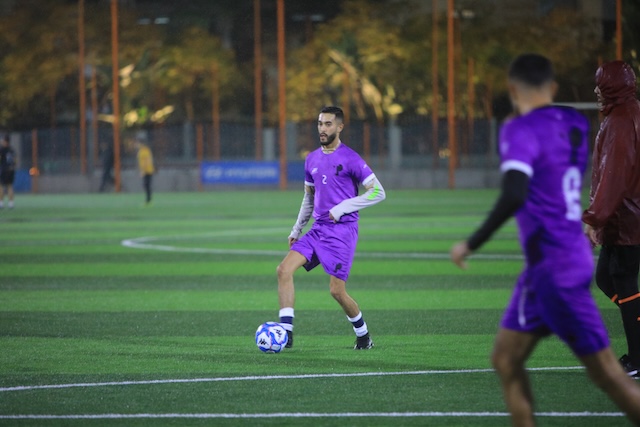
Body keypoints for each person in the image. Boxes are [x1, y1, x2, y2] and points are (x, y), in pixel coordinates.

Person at [450, 53, 640, 426]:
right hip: (569, 258)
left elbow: (515, 193)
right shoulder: (574, 123)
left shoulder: (524, 129)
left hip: (551, 263)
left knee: (508, 360)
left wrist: (470, 243)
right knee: (604, 372)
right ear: (552, 88)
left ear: (512, 89)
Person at [277, 106, 386, 350]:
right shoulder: (311, 159)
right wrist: (296, 229)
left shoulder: (351, 158)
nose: (322, 129)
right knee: (283, 270)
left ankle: (363, 335)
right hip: (318, 229)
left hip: (342, 232)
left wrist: (343, 207)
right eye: (320, 124)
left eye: (328, 124)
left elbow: (378, 192)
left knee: (337, 291)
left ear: (340, 127)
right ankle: (286, 333)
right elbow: (309, 197)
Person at [582, 60, 640, 378]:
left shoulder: (619, 121)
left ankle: (637, 359)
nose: (596, 90)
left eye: (601, 84)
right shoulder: (631, 113)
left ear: (613, 87)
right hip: (628, 216)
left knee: (622, 281)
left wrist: (594, 218)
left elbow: (613, 177)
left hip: (625, 218)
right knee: (606, 278)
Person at [134, 138, 154, 205]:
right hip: (146, 170)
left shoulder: (145, 150)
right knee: (146, 185)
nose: (136, 145)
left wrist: (143, 170)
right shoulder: (142, 151)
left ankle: (148, 200)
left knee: (146, 185)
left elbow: (147, 161)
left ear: (141, 144)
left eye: (137, 144)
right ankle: (148, 199)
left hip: (147, 171)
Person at [0, 135, 16, 209]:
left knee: (1, 186)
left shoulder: (2, 149)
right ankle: (11, 204)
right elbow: (15, 160)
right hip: (11, 169)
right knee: (10, 186)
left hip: (4, 169)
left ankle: (1, 203)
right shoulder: (12, 149)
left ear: (5, 141)